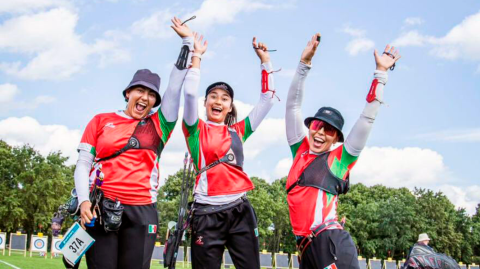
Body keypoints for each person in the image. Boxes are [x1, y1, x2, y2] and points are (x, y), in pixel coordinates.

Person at [69, 17, 195, 269]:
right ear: (128, 92)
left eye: (151, 95)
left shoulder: (160, 124)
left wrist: (187, 42)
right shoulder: (100, 120)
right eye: (140, 90)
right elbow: (83, 164)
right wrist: (84, 200)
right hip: (102, 207)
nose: (145, 98)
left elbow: (175, 87)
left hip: (142, 210)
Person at [285, 33, 401, 269]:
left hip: (329, 241)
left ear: (337, 139)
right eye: (317, 126)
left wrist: (381, 74)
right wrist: (303, 65)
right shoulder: (300, 151)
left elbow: (367, 118)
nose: (320, 133)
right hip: (305, 248)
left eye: (329, 130)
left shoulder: (340, 159)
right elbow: (292, 105)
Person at [181, 34, 278, 269]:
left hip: (240, 210)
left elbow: (268, 100)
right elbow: (190, 93)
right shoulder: (195, 130)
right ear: (206, 103)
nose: (218, 101)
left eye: (225, 98)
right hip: (206, 214)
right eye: (213, 96)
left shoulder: (238, 131)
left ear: (229, 106)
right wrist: (197, 56)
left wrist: (265, 61)